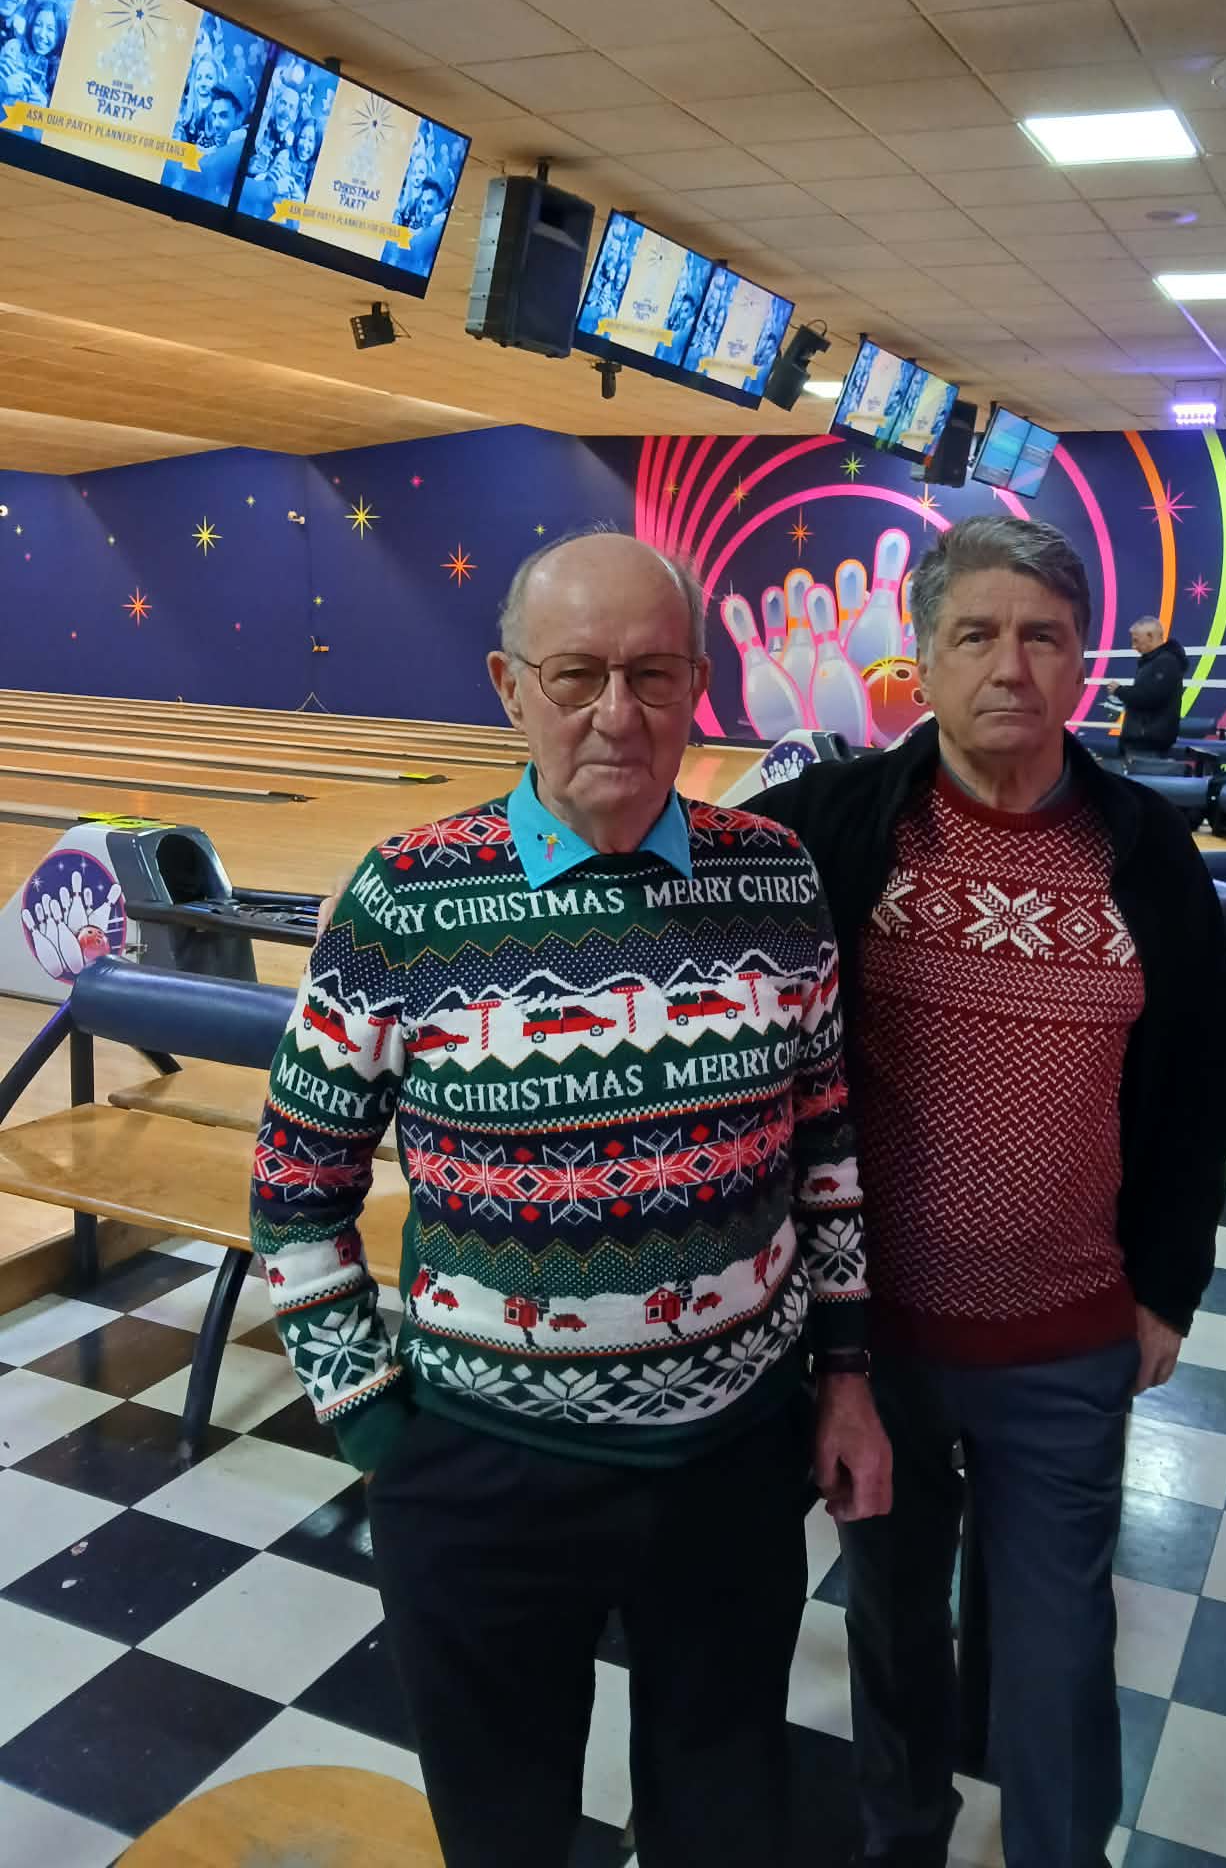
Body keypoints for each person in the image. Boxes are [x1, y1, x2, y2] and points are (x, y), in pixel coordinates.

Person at [251, 530, 890, 1868]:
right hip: (481, 1473)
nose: (617, 712)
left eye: (653, 674)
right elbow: (296, 1187)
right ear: (509, 686)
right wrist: (375, 1423)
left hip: (733, 1463)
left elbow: (827, 1153)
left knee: (726, 1819)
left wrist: (843, 1378)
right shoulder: (403, 899)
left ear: (698, 685)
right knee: (505, 1832)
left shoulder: (777, 879)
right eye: (577, 673)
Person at [751, 516, 1226, 1868]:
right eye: (975, 634)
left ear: (1083, 663)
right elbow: (680, 912)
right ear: (921, 658)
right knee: (894, 1620)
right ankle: (904, 1836)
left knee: (1059, 1644)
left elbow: (1201, 1084)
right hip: (878, 1348)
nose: (1009, 665)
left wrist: (1169, 1286)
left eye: (1042, 637)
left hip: (1068, 1336)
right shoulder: (833, 828)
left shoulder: (1144, 851)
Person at [1104, 616, 1187, 759]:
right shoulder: (1153, 662)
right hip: (1142, 741)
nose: (1133, 646)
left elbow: (1149, 697)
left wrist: (1119, 691)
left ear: (1150, 636)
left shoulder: (1165, 663)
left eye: (1136, 640)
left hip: (1147, 743)